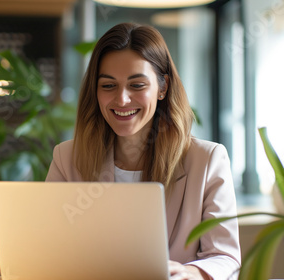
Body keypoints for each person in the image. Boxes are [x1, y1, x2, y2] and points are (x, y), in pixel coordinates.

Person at [46, 22, 241, 280]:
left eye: (137, 85)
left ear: (162, 87)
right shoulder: (66, 158)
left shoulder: (207, 160)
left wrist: (188, 272)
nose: (122, 100)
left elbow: (225, 257)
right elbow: (48, 250)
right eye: (108, 86)